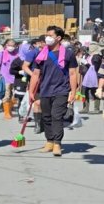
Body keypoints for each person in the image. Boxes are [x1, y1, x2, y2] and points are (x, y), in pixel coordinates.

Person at [28, 26, 79, 157]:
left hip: (61, 90)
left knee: (57, 116)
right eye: (46, 35)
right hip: (45, 90)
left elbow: (73, 73)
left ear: (58, 38)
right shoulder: (42, 54)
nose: (47, 38)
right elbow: (35, 74)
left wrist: (73, 91)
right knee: (46, 117)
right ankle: (49, 141)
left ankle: (57, 143)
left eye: (50, 35)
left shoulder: (68, 54)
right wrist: (31, 91)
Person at [23, 37, 45, 132]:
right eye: (44, 42)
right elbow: (25, 66)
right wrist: (34, 76)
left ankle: (45, 122)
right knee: (37, 103)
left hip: (49, 81)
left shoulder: (51, 53)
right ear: (40, 43)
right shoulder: (33, 53)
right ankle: (38, 124)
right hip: (36, 82)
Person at [0, 38, 20, 119]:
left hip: (16, 77)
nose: (11, 47)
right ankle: (7, 112)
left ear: (16, 46)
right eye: (9, 45)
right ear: (6, 45)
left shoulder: (18, 54)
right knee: (7, 95)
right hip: (5, 77)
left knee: (15, 95)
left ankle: (9, 108)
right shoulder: (1, 54)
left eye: (13, 45)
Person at [80, 43, 102, 114]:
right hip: (86, 76)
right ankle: (85, 107)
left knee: (94, 91)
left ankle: (96, 108)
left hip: (94, 76)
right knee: (84, 92)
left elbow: (94, 67)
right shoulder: (89, 55)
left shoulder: (96, 56)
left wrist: (86, 63)